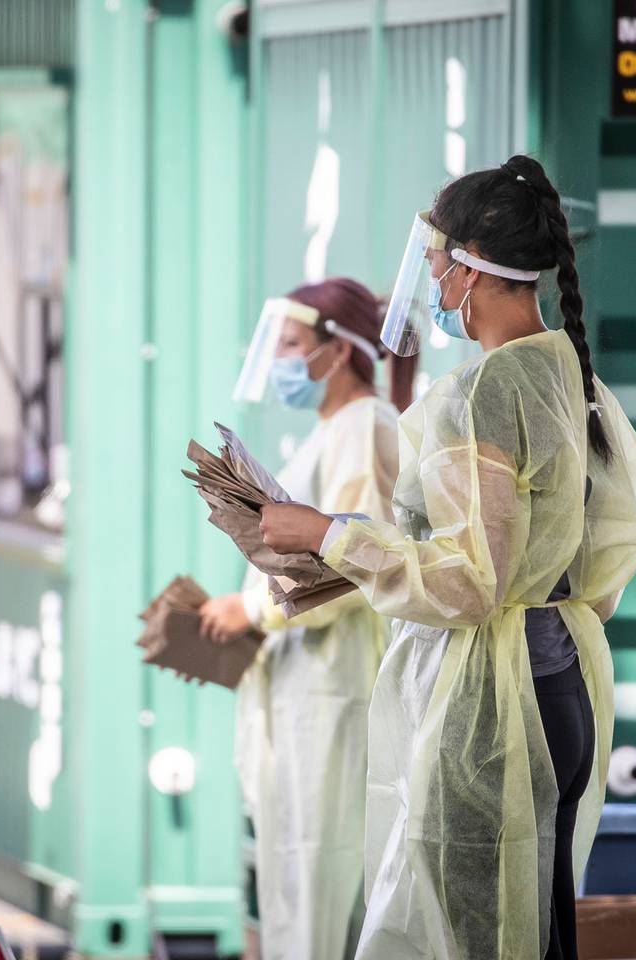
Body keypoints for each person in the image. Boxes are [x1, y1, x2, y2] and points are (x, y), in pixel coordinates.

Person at [258, 157, 636, 959]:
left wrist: (325, 536)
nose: (432, 288)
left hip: (490, 714)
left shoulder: (481, 395)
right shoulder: (570, 374)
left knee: (471, 940)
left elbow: (471, 583)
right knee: (540, 934)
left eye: (437, 267)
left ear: (473, 267)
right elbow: (599, 568)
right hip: (563, 690)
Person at [200, 277, 413, 960]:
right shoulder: (333, 431)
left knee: (321, 878)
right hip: (305, 690)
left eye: (294, 345)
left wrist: (252, 609)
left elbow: (357, 561)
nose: (283, 360)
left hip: (333, 690)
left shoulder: (364, 427)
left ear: (338, 350)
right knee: (295, 876)